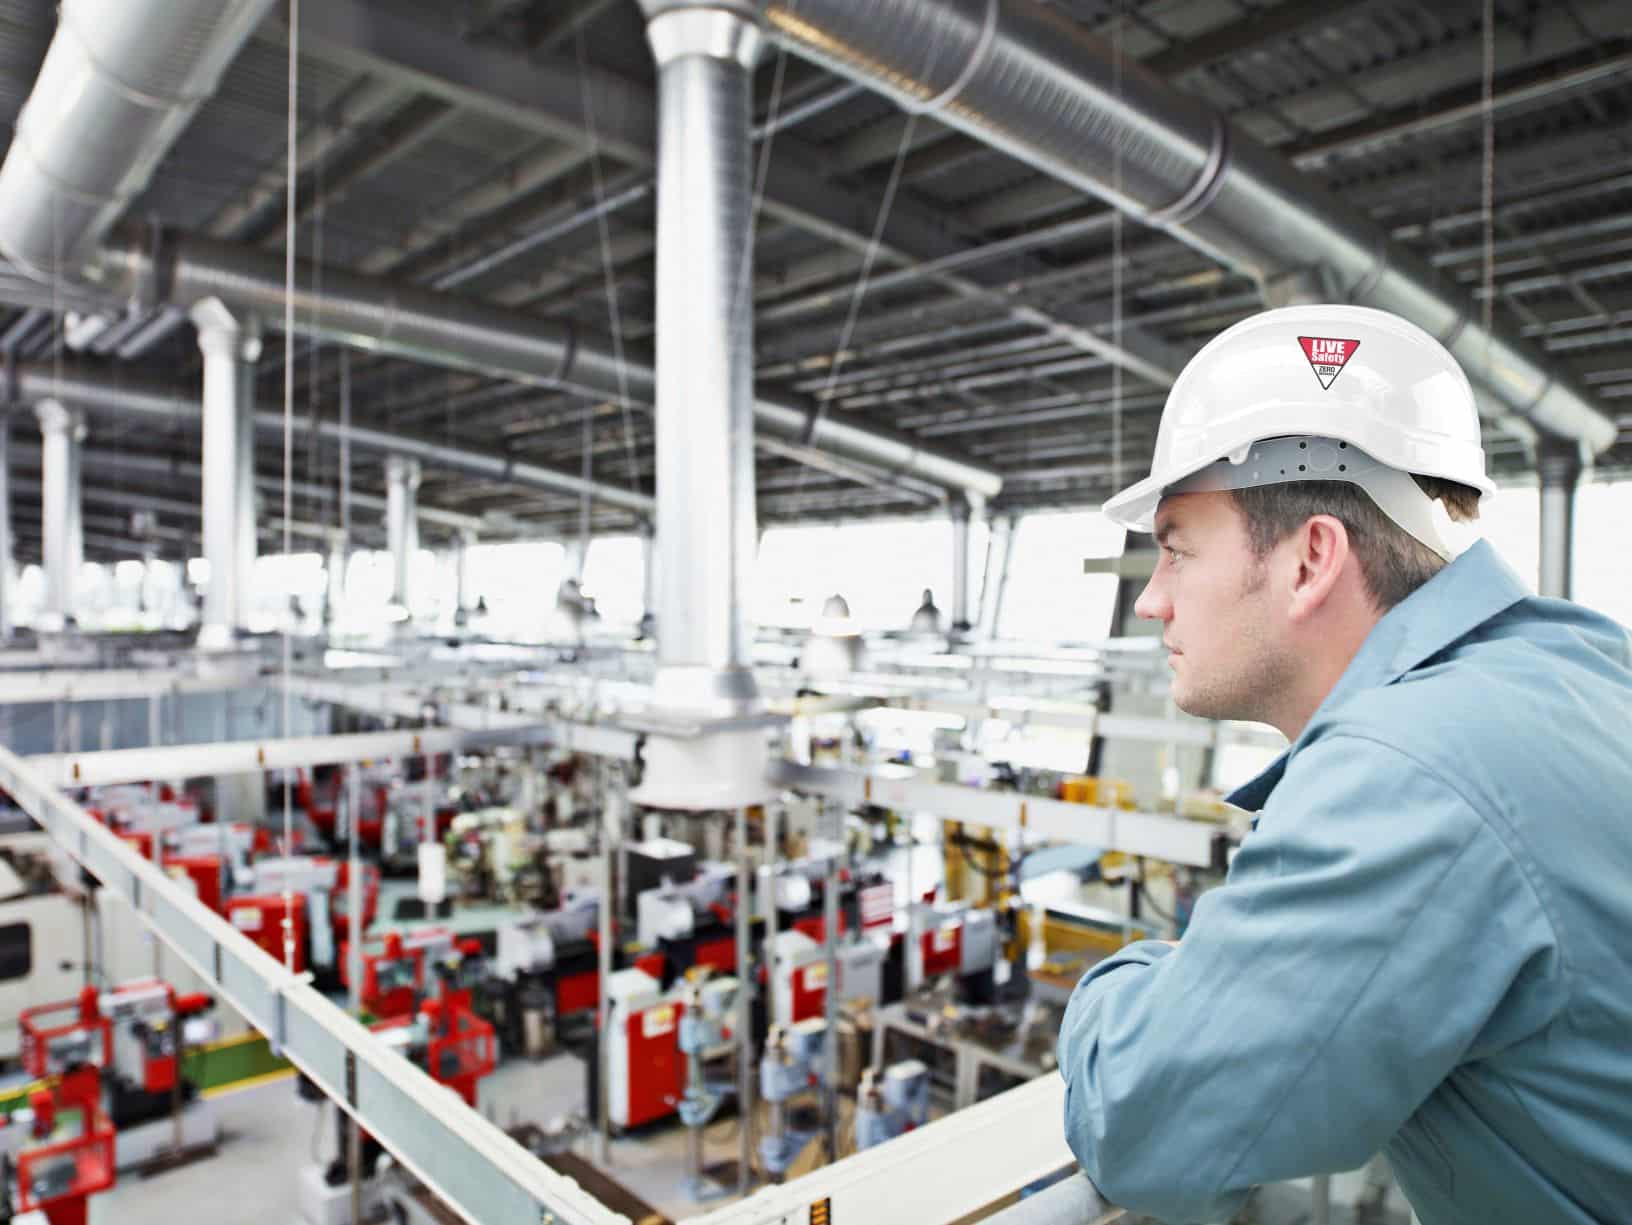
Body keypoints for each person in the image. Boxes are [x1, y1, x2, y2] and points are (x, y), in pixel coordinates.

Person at [1055, 304, 1632, 1225]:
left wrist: (1122, 979)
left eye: (1173, 549)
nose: (1152, 602)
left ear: (1311, 557)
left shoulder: (1409, 768)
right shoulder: (1583, 664)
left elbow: (1140, 1121)